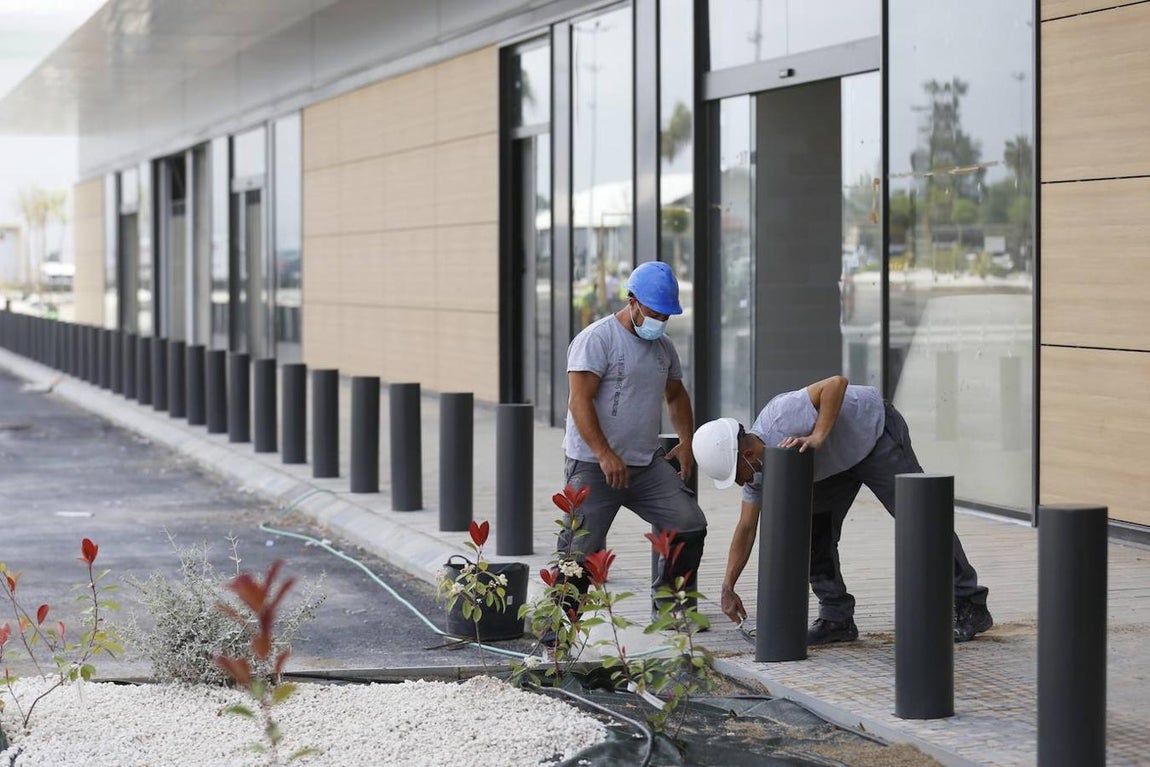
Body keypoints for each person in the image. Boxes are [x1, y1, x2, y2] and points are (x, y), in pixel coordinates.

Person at [692, 375, 992, 645]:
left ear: (746, 455)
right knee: (813, 533)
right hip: (834, 467)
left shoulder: (780, 418)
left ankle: (970, 603)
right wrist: (728, 584)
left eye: (736, 475)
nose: (740, 483)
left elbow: (836, 383)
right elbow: (746, 528)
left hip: (873, 434)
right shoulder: (759, 474)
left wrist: (818, 436)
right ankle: (836, 616)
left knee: (920, 517)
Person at [558, 260, 707, 618]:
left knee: (689, 523)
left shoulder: (663, 349)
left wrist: (686, 441)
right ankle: (557, 637)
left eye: (666, 317)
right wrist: (605, 454)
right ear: (633, 302)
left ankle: (670, 608)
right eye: (655, 314)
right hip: (594, 466)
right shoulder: (597, 339)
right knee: (578, 553)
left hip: (645, 465)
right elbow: (578, 401)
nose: (661, 322)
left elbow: (676, 396)